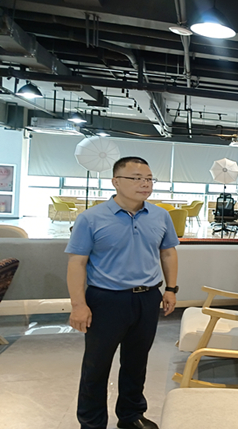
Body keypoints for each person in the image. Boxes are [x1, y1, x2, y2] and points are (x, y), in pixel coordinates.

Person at [66, 156, 179, 429]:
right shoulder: (91, 218)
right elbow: (77, 263)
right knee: (97, 365)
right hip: (106, 300)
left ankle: (131, 415)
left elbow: (168, 252)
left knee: (136, 363)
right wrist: (78, 305)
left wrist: (170, 289)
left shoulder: (160, 215)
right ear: (115, 182)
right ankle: (92, 423)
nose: (145, 184)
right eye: (137, 178)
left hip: (147, 297)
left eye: (149, 179)